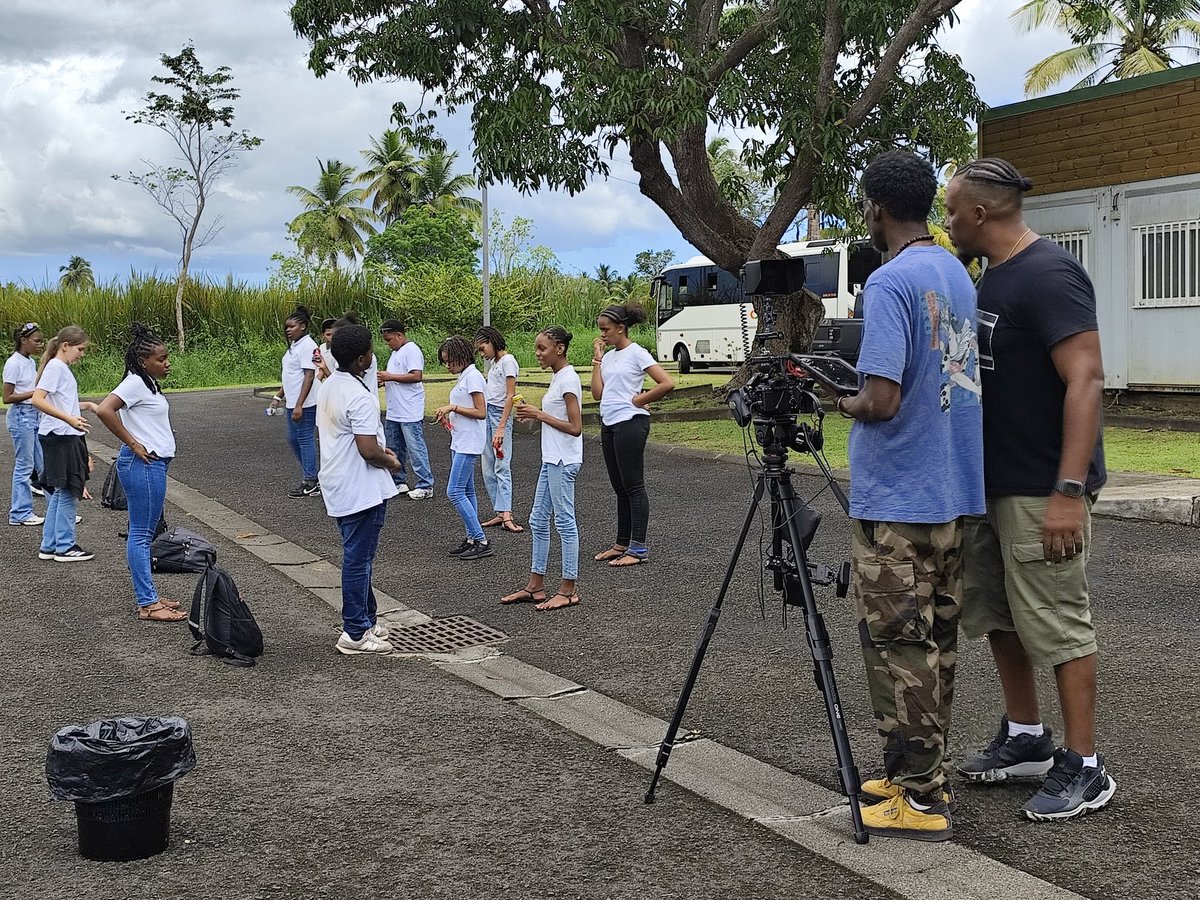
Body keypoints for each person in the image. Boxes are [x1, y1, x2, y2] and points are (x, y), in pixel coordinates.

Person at [945, 157, 1115, 822]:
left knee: (1059, 624)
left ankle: (1086, 766)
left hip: (1043, 488)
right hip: (991, 485)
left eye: (953, 209)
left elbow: (1087, 379)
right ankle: (1026, 737)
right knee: (997, 616)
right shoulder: (990, 279)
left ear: (979, 215)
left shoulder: (1048, 275)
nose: (949, 220)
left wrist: (1068, 489)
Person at [837, 149, 985, 841]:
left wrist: (842, 400)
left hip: (897, 498)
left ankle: (920, 799)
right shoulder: (955, 273)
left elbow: (883, 398)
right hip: (952, 490)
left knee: (898, 645)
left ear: (877, 206)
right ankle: (915, 773)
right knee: (936, 644)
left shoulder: (892, 282)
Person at [315, 322, 402, 655]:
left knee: (359, 556)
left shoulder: (330, 385)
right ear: (364, 360)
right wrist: (391, 461)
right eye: (370, 351)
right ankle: (354, 632)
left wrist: (381, 453)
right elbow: (368, 449)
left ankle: (366, 620)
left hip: (339, 482)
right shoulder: (359, 396)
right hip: (360, 487)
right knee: (358, 560)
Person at [95, 324, 187, 623]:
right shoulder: (135, 383)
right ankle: (147, 603)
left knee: (145, 533)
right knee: (141, 534)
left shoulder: (147, 383)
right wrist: (133, 443)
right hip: (143, 464)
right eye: (161, 359)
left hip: (152, 464)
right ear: (143, 361)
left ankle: (150, 597)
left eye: (166, 357)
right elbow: (104, 410)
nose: (167, 362)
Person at [503, 326, 584, 611]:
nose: (537, 353)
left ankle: (568, 589)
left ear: (559, 348)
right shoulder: (558, 378)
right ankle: (536, 586)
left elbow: (576, 427)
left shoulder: (569, 380)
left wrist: (539, 413)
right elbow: (557, 419)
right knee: (538, 520)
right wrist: (535, 415)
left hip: (563, 460)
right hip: (551, 459)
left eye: (542, 348)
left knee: (564, 522)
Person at [589, 302, 674, 567]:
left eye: (606, 330)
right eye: (601, 330)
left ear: (621, 328)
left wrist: (640, 400)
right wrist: (596, 360)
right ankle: (621, 543)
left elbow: (667, 382)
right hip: (610, 421)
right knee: (619, 486)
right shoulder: (610, 356)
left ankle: (638, 548)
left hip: (631, 422)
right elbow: (598, 394)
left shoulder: (637, 352)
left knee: (633, 485)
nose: (602, 334)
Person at [31, 325, 99, 563]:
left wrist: (85, 406)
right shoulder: (56, 367)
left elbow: (60, 400)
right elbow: (37, 399)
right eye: (80, 349)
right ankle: (65, 546)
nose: (81, 354)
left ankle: (50, 545)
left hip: (61, 435)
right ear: (65, 346)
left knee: (61, 491)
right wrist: (68, 418)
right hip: (60, 436)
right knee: (70, 490)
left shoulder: (59, 368)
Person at [434, 335, 492, 561]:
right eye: (445, 362)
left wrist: (453, 407)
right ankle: (471, 538)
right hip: (461, 439)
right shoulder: (465, 377)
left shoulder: (473, 378)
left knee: (454, 491)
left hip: (468, 442)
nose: (448, 366)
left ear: (461, 356)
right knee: (467, 491)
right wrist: (451, 416)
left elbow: (481, 411)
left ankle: (481, 538)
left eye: (450, 361)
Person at [379, 319, 434, 500]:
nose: (388, 344)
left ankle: (426, 484)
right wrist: (386, 379)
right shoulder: (396, 353)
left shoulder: (411, 350)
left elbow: (416, 376)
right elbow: (397, 377)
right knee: (395, 446)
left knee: (415, 446)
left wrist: (390, 376)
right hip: (395, 410)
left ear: (399, 335)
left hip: (409, 410)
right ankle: (398, 481)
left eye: (389, 340)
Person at [268, 305, 320, 498]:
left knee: (304, 438)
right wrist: (278, 396)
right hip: (292, 402)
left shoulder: (307, 345)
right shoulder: (295, 346)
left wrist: (299, 404)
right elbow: (290, 376)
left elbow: (309, 376)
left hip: (305, 403)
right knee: (292, 439)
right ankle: (312, 474)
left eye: (292, 326)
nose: (288, 330)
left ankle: (310, 481)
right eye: (286, 327)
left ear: (303, 326)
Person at [474, 326, 523, 532]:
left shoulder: (508, 362)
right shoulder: (495, 363)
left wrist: (502, 426)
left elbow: (510, 395)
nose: (482, 353)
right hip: (488, 413)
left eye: (483, 347)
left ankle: (507, 513)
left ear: (492, 342)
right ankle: (500, 511)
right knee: (488, 466)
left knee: (502, 465)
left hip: (499, 414)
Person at [5, 322, 46, 526]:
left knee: (43, 465)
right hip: (21, 416)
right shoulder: (14, 363)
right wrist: (35, 393)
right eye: (36, 341)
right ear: (24, 340)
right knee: (25, 466)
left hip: (33, 414)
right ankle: (19, 513)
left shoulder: (29, 361)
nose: (40, 345)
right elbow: (7, 397)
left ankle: (58, 510)